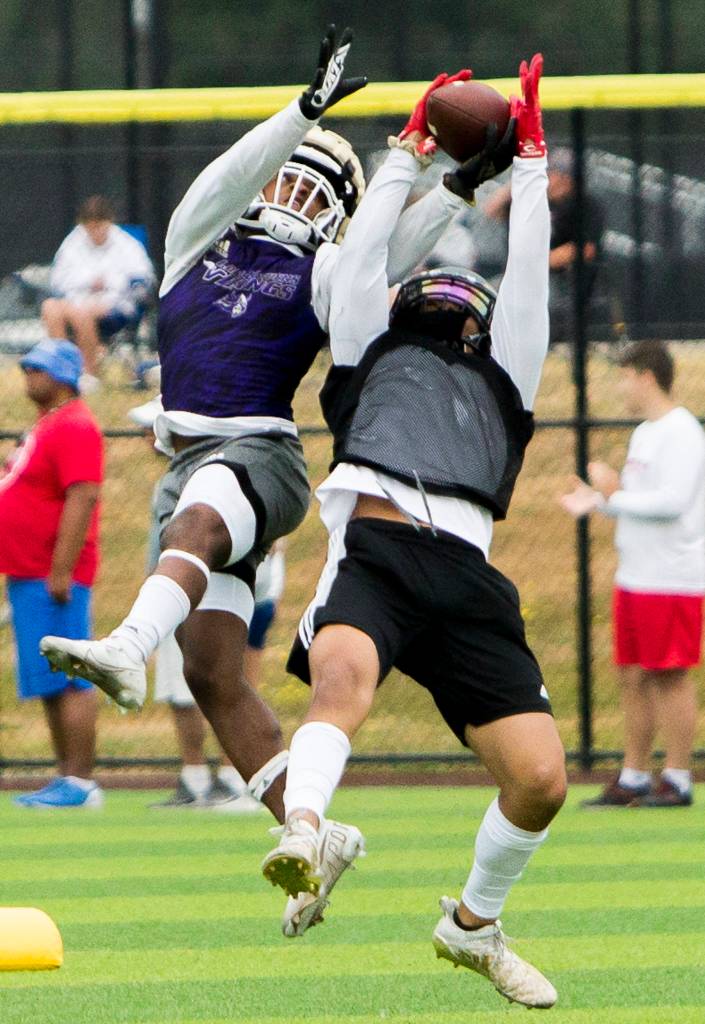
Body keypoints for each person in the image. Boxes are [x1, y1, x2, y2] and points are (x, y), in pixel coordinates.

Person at [40, 29, 470, 843]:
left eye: (321, 188)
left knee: (196, 519)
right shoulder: (192, 243)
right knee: (210, 671)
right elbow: (223, 175)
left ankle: (130, 643)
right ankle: (308, 831)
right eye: (293, 175)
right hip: (191, 468)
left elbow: (382, 254)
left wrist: (447, 183)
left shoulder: (321, 274)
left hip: (259, 459)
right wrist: (299, 112)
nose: (299, 194)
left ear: (341, 210)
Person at [262, 56, 563, 1009]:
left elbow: (527, 281)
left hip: (468, 578)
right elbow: (356, 263)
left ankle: (471, 925)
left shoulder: (504, 370)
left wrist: (528, 166)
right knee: (339, 687)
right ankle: (302, 830)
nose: (440, 296)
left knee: (541, 780)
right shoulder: (366, 350)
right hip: (380, 555)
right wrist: (404, 151)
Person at [561, 340, 705, 807]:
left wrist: (611, 497)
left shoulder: (681, 432)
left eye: (624, 376)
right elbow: (636, 499)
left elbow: (672, 502)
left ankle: (679, 778)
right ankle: (634, 776)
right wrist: (599, 499)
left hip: (671, 577)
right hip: (636, 576)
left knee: (670, 676)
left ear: (646, 376)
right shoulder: (645, 433)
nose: (619, 386)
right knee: (633, 675)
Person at [0, 339, 104, 808]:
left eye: (37, 369)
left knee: (70, 676)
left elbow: (82, 496)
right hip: (30, 573)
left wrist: (61, 570)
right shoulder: (50, 425)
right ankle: (65, 778)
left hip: (52, 576)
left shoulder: (76, 426)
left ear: (62, 376)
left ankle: (80, 782)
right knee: (47, 678)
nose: (28, 377)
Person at [42, 195, 155, 385]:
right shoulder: (73, 242)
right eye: (90, 228)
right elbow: (58, 279)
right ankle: (62, 371)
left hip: (116, 303)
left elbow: (142, 279)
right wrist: (88, 281)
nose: (95, 232)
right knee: (50, 307)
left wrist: (109, 282)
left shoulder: (127, 244)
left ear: (109, 222)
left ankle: (89, 375)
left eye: (99, 226)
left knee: (82, 311)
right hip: (76, 298)